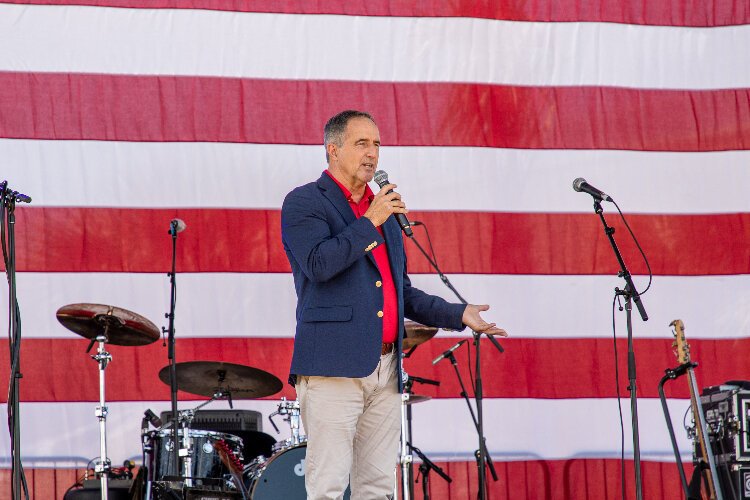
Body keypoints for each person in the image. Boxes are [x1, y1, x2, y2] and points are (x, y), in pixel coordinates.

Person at [280, 110, 507, 500]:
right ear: (332, 150)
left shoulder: (383, 210)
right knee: (329, 485)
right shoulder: (305, 202)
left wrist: (460, 313)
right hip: (333, 369)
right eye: (361, 144)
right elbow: (319, 265)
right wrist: (371, 220)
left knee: (378, 486)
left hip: (386, 369)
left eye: (377, 144)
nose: (373, 154)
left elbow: (403, 292)